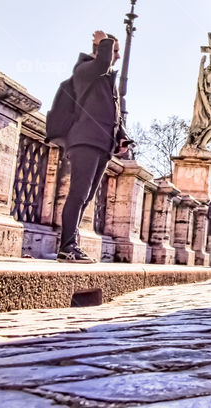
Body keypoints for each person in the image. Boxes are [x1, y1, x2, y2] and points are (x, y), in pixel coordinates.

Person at [57, 30, 131, 263]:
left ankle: (72, 244)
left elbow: (114, 113)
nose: (117, 56)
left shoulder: (107, 79)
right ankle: (67, 247)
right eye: (115, 51)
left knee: (87, 196)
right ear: (101, 50)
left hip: (102, 144)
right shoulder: (86, 70)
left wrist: (122, 137)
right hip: (85, 140)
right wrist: (104, 43)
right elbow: (101, 64)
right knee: (78, 194)